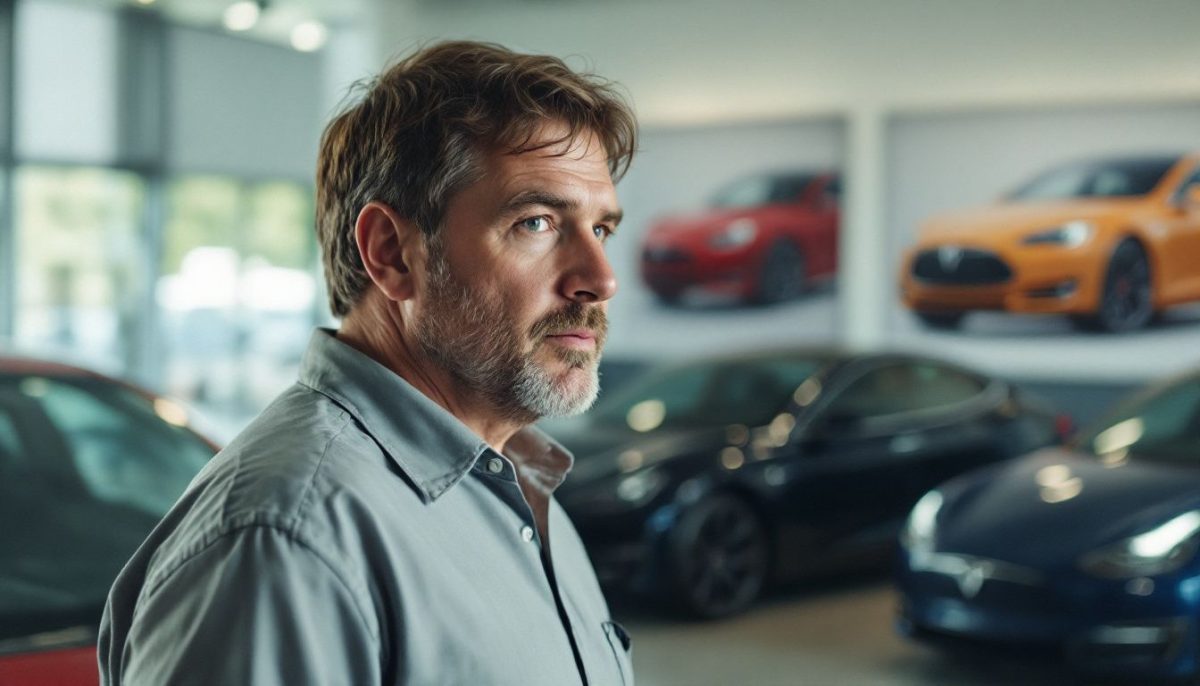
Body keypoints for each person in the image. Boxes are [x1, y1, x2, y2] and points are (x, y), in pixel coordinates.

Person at [98, 40, 638, 686]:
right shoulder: (285, 540)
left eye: (601, 230)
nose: (600, 279)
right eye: (538, 223)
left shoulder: (518, 487)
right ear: (391, 253)